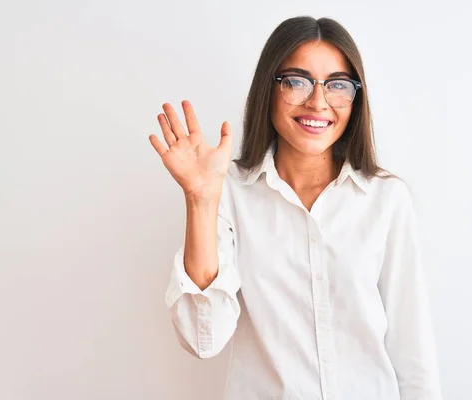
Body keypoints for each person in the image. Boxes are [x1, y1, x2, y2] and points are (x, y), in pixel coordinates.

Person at [149, 15, 443, 400]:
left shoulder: (385, 199)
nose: (318, 102)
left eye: (337, 85)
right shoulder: (230, 192)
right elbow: (204, 339)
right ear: (268, 88)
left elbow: (412, 351)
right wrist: (201, 199)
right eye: (296, 81)